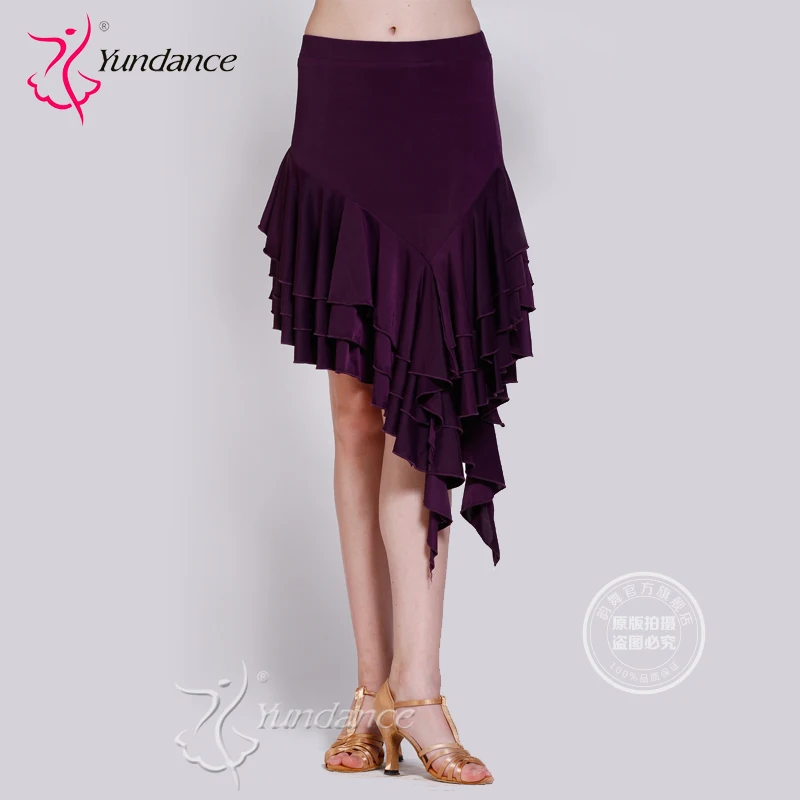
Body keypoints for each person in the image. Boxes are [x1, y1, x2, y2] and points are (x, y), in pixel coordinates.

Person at [256, 0, 535, 784]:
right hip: (342, 86)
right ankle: (370, 689)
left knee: (426, 394)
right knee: (355, 414)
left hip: (446, 85)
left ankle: (418, 691)